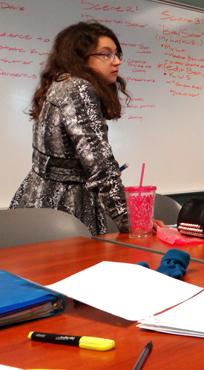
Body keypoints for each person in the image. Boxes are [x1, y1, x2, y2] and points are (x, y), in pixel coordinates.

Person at [10, 22, 130, 235]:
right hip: (64, 210)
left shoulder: (60, 83)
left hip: (38, 200)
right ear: (80, 57)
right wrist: (131, 221)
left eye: (117, 54)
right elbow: (100, 165)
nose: (117, 61)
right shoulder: (79, 88)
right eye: (106, 54)